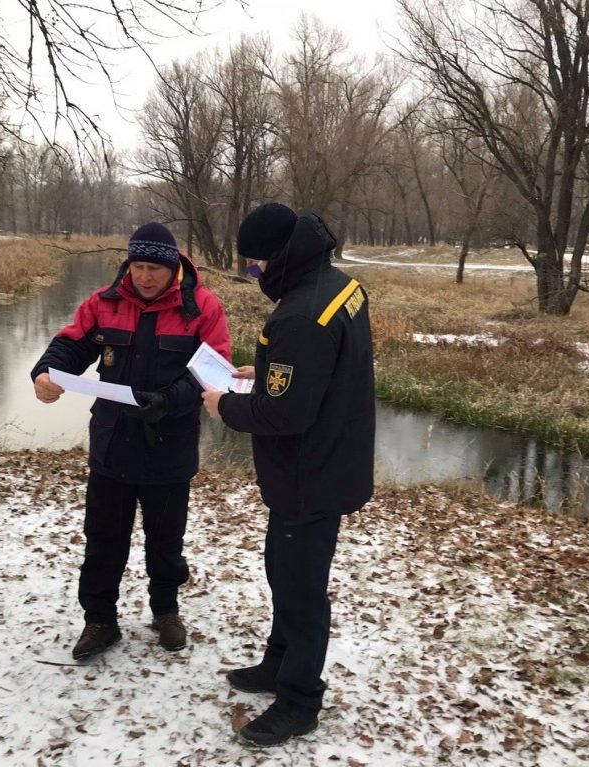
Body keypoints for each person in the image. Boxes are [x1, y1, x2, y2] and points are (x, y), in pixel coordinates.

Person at [202, 203, 375, 748]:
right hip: (329, 458)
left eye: (255, 266)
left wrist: (223, 405)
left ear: (278, 257)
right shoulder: (340, 286)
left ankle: (299, 700)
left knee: (301, 590)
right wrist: (270, 375)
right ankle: (277, 665)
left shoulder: (300, 314)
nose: (254, 275)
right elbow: (316, 374)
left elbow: (285, 415)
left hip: (310, 474)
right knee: (282, 568)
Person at [32, 222, 232, 661]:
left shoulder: (202, 308)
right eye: (138, 266)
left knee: (166, 540)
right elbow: (69, 345)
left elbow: (214, 370)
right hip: (112, 446)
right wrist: (45, 372)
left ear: (174, 267)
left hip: (170, 446)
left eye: (154, 268)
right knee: (103, 538)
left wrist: (168, 400)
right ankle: (99, 620)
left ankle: (166, 611)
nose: (144, 276)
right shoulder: (104, 303)